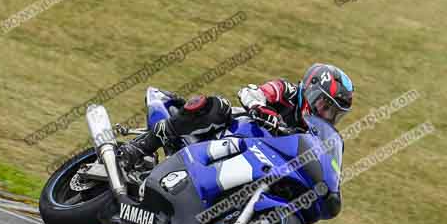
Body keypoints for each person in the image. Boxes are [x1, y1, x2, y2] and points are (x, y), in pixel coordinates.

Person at [117, 63, 354, 167]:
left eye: (334, 113)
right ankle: (138, 149)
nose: (326, 115)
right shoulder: (288, 92)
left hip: (255, 161)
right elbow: (252, 92)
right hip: (229, 131)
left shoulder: (309, 135)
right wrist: (264, 111)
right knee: (218, 106)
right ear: (311, 90)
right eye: (325, 106)